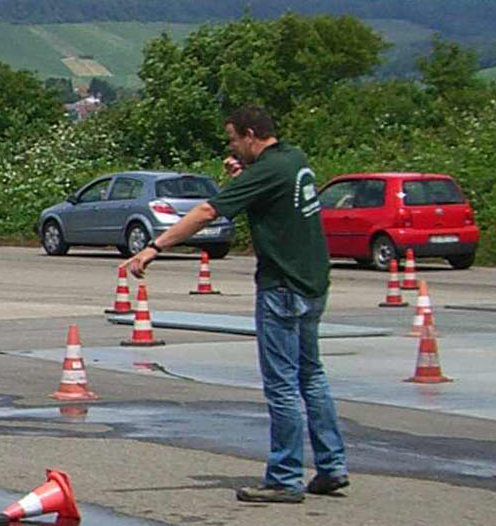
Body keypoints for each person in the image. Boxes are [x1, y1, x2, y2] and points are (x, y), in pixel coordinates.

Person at [129, 104, 348, 503]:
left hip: (282, 286)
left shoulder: (268, 170)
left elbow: (208, 210)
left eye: (233, 138)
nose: (231, 146)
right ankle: (332, 466)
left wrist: (154, 247)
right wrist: (246, 178)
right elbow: (272, 196)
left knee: (281, 383)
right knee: (311, 376)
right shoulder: (294, 160)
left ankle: (284, 477)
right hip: (314, 282)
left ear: (250, 134)